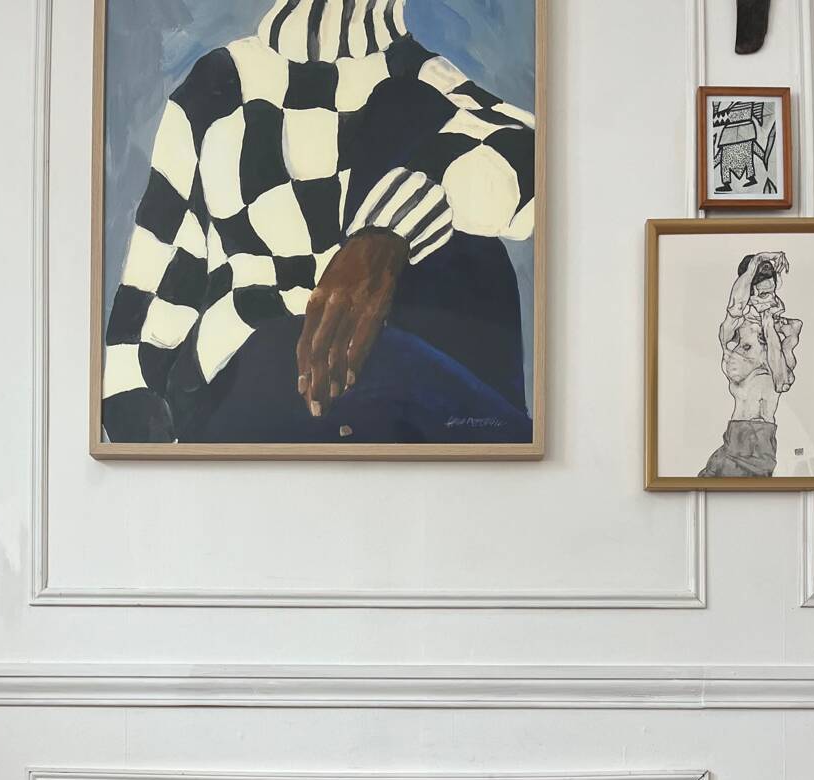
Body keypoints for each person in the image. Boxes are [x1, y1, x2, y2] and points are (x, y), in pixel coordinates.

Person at [102, 0, 536, 446]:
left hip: (394, 405)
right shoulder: (214, 91)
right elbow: (139, 335)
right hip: (241, 409)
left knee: (408, 117)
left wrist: (388, 232)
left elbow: (534, 157)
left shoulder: (423, 87)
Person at [700, 251, 802, 480]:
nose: (768, 298)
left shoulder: (786, 331)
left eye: (771, 291)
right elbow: (735, 305)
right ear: (749, 293)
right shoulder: (735, 332)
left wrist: (769, 327)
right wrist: (757, 262)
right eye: (760, 293)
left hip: (765, 442)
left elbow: (781, 380)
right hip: (739, 438)